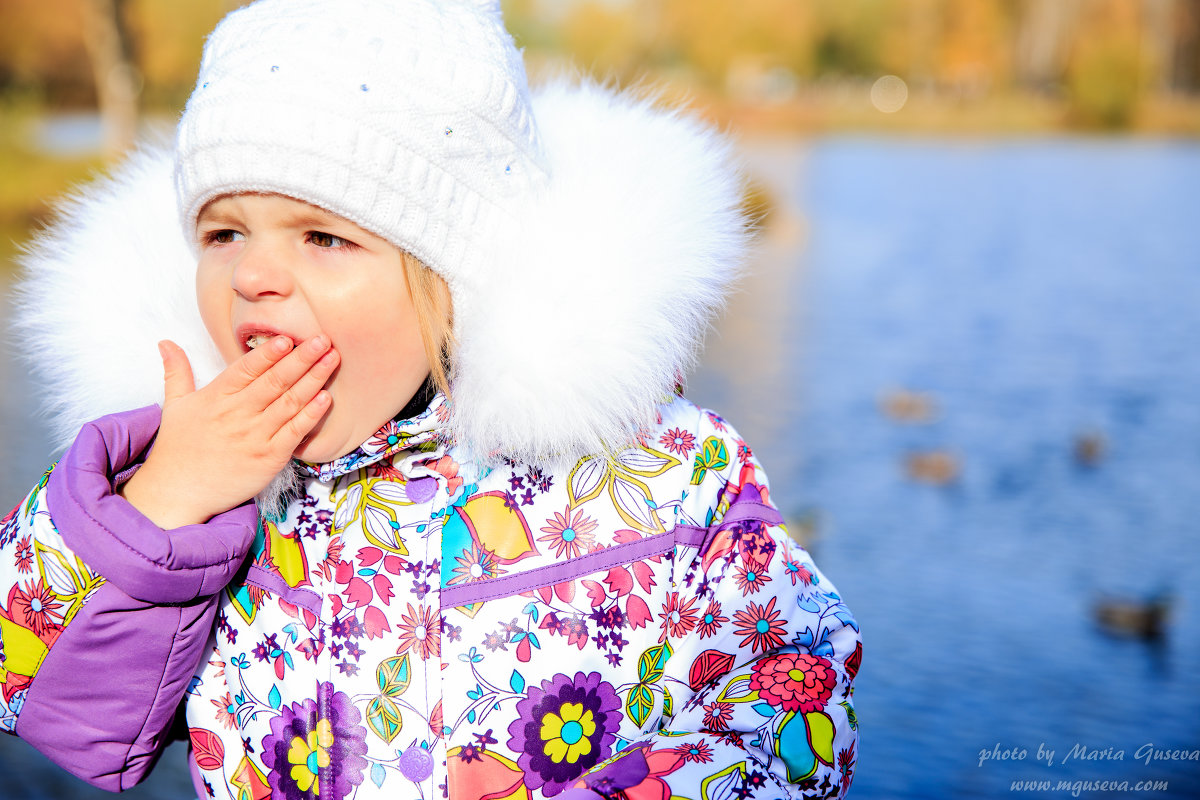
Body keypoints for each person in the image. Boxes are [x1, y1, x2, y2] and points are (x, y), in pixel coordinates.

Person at [0, 1, 861, 798]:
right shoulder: (205, 484)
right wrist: (158, 511)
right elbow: (44, 698)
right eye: (224, 232)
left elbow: (795, 701)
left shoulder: (659, 472)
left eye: (324, 236)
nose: (252, 275)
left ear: (455, 276)